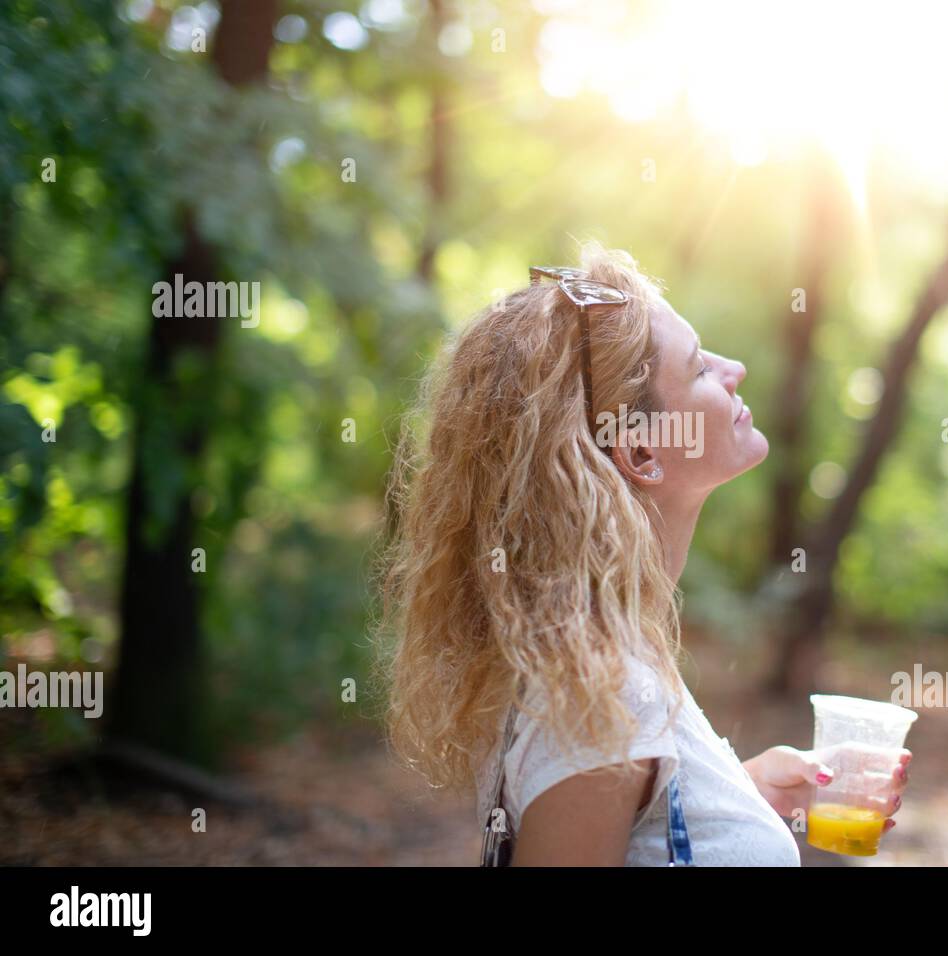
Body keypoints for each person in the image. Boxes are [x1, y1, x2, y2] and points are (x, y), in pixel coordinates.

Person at [376, 241, 910, 865]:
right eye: (700, 370)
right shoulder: (603, 689)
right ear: (640, 454)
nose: (733, 367)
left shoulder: (602, 654)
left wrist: (743, 800)